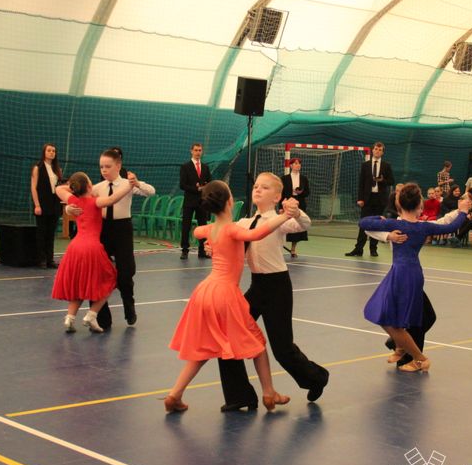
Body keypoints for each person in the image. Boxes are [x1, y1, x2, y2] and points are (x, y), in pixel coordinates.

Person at [165, 180, 295, 413]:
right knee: (258, 345)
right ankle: (269, 393)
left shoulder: (210, 230)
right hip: (224, 294)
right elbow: (257, 233)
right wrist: (285, 215)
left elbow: (197, 231)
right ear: (229, 202)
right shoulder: (233, 229)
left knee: (206, 348)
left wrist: (211, 242)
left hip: (205, 291)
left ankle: (175, 393)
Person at [216, 173, 329, 411]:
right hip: (256, 287)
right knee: (227, 337)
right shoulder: (245, 223)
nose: (257, 189)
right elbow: (225, 235)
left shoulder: (280, 220)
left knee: (282, 350)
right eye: (256, 186)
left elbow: (304, 224)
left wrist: (295, 211)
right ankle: (240, 395)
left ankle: (317, 377)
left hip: (278, 287)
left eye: (265, 187)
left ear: (277, 197)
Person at [359, 183, 469, 372]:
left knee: (394, 321)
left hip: (404, 276)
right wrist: (463, 211)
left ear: (400, 205)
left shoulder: (394, 224)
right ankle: (401, 346)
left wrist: (381, 220)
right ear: (420, 205)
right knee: (386, 317)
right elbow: (452, 226)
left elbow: (364, 222)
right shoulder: (423, 227)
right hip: (408, 273)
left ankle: (420, 359)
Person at [52, 171, 134, 333]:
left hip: (75, 247)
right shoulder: (94, 202)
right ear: (90, 186)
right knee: (110, 279)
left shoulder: (74, 200)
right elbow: (112, 199)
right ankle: (91, 314)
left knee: (79, 283)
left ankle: (70, 318)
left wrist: (70, 198)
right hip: (91, 247)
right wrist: (129, 186)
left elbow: (59, 189)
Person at [92, 147, 155, 326]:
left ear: (118, 165)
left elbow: (151, 191)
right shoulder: (98, 188)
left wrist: (137, 183)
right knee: (98, 274)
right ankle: (102, 317)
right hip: (103, 230)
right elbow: (81, 200)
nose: (104, 170)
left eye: (108, 166)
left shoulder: (128, 184)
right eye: (101, 167)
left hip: (123, 230)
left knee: (125, 274)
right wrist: (69, 208)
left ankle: (129, 305)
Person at [346, 141, 394, 257]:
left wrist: (382, 180)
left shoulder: (386, 166)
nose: (377, 151)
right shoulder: (365, 165)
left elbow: (391, 181)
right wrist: (360, 198)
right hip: (367, 199)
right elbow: (361, 183)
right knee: (363, 224)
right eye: (376, 149)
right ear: (372, 150)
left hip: (380, 199)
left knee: (377, 225)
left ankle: (373, 249)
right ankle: (358, 249)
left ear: (382, 152)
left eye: (380, 150)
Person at [30, 143, 63, 269]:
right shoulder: (37, 168)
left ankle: (50, 259)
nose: (51, 153)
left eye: (54, 151)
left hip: (54, 204)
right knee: (41, 233)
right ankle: (41, 259)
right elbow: (33, 187)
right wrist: (37, 205)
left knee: (51, 233)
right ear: (44, 152)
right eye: (49, 150)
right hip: (42, 204)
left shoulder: (57, 169)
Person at [179, 143, 211, 260]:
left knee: (203, 226)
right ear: (191, 151)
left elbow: (209, 182)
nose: (198, 152)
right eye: (196, 150)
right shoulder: (185, 167)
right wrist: (196, 188)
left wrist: (205, 187)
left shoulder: (206, 167)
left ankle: (202, 250)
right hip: (189, 201)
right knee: (186, 226)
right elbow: (182, 185)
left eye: (200, 150)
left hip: (202, 201)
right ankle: (184, 250)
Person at [281, 158, 310, 258]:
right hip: (288, 203)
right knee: (284, 225)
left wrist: (301, 192)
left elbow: (308, 192)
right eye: (296, 163)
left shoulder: (304, 178)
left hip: (300, 203)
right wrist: (281, 206)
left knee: (297, 226)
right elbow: (281, 193)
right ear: (291, 165)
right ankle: (279, 247)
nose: (298, 165)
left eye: (299, 163)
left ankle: (293, 249)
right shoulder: (284, 178)